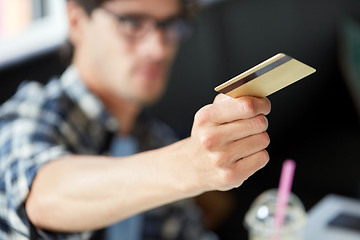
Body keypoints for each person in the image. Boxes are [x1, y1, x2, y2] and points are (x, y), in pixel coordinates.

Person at [0, 0, 271, 239]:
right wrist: (190, 164)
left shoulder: (155, 139)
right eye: (131, 23)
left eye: (169, 24)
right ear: (76, 21)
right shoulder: (27, 115)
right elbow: (41, 196)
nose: (159, 49)